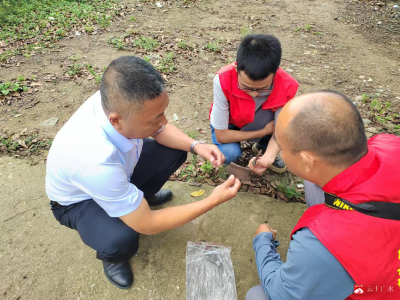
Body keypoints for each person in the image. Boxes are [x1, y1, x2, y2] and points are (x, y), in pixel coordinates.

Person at [46, 56, 241, 290]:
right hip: (78, 202)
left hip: (119, 172)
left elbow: (161, 130)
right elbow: (148, 224)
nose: (165, 121)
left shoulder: (115, 99)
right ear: (116, 121)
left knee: (175, 150)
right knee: (123, 238)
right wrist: (212, 200)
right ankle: (113, 257)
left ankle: (139, 198)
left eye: (163, 111)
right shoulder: (94, 160)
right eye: (155, 118)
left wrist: (196, 145)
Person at [246, 90, 400, 300]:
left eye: (281, 146)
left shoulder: (321, 247)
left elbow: (279, 292)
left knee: (258, 295)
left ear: (308, 161)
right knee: (313, 183)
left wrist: (262, 240)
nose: (278, 151)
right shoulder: (389, 143)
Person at [209, 34, 299, 173]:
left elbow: (281, 131)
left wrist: (269, 157)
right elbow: (222, 135)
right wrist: (262, 132)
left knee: (289, 125)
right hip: (231, 124)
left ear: (275, 73)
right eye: (245, 86)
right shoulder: (222, 79)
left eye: (262, 88)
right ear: (236, 68)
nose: (254, 94)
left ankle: (263, 147)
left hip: (260, 120)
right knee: (229, 154)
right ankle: (257, 140)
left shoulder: (286, 85)